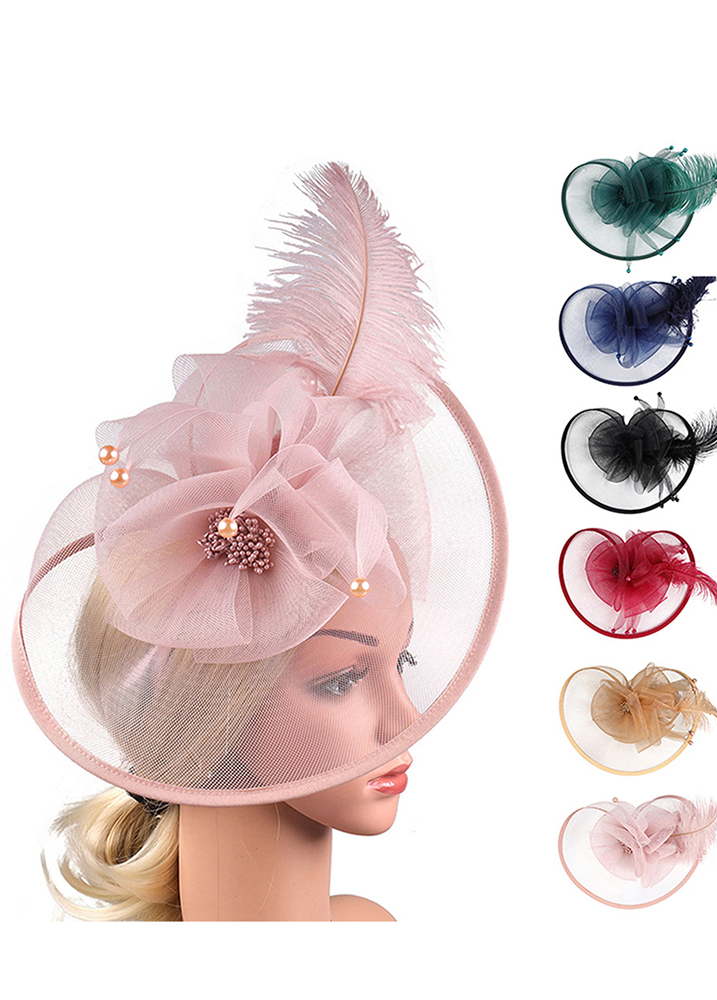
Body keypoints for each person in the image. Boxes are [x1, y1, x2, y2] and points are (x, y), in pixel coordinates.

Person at [13, 162, 506, 920]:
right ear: (205, 706)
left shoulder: (368, 930)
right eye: (340, 680)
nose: (407, 720)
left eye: (400, 661)